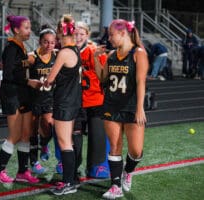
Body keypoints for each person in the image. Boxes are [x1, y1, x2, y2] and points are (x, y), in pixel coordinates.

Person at [94, 19, 148, 199]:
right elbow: (102, 78)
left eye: (111, 34)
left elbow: (141, 82)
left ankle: (128, 170)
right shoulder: (111, 55)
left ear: (123, 33)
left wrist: (140, 108)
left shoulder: (138, 53)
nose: (109, 38)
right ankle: (115, 185)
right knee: (115, 145)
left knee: (136, 151)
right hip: (111, 105)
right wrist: (96, 58)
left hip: (131, 107)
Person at [0, 15, 42, 184]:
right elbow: (9, 74)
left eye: (29, 27)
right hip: (11, 95)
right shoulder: (11, 48)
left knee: (26, 134)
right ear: (17, 30)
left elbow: (20, 68)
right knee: (15, 135)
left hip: (23, 94)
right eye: (26, 28)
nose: (29, 31)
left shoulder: (22, 48)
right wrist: (28, 79)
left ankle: (22, 172)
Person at [44, 14, 82, 195]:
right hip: (73, 101)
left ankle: (68, 183)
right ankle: (72, 179)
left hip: (64, 102)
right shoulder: (75, 50)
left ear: (61, 32)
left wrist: (41, 82)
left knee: (64, 142)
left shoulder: (64, 52)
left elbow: (49, 80)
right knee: (69, 142)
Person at [74, 21, 110, 179]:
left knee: (97, 135)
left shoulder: (95, 51)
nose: (78, 37)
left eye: (82, 34)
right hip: (76, 102)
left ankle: (96, 165)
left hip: (95, 100)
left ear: (87, 35)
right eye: (76, 33)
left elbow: (104, 76)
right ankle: (72, 165)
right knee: (74, 137)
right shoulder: (68, 51)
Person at [28, 25, 57, 174]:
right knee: (32, 131)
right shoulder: (32, 57)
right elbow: (20, 76)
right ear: (40, 41)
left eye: (52, 42)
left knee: (49, 125)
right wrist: (29, 81)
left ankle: (44, 144)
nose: (49, 45)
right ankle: (34, 162)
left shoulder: (57, 56)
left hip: (49, 99)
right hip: (33, 99)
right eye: (46, 42)